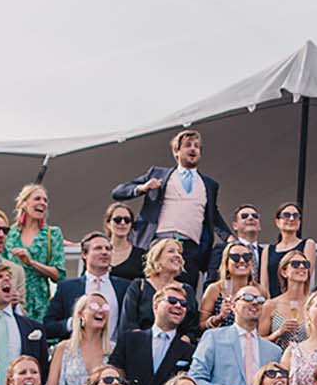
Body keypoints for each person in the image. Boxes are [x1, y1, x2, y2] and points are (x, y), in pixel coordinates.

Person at [113, 129, 231, 284]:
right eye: (188, 145)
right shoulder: (158, 173)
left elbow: (213, 215)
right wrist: (143, 187)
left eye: (197, 146)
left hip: (190, 249)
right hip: (158, 242)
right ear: (176, 151)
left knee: (184, 294)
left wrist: (228, 237)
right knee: (153, 288)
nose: (193, 149)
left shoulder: (209, 184)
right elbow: (118, 192)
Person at [193, 284, 286, 385]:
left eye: (260, 300)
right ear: (234, 305)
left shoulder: (273, 351)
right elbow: (195, 381)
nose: (255, 302)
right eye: (247, 298)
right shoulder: (213, 337)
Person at [110, 283, 198, 385]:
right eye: (172, 301)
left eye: (183, 304)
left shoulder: (189, 351)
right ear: (155, 306)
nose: (178, 306)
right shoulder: (130, 339)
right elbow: (115, 375)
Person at [45, 230, 134, 344]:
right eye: (98, 248)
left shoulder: (125, 287)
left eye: (108, 249)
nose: (104, 252)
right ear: (84, 254)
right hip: (76, 353)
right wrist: (72, 323)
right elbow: (48, 326)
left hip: (114, 355)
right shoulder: (66, 288)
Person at [47, 294, 115, 385]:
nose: (100, 310)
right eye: (94, 306)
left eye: (105, 307)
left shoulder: (113, 350)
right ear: (80, 314)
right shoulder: (64, 348)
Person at [118, 237, 200, 337]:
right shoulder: (139, 286)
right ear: (157, 257)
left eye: (179, 253)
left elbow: (192, 329)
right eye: (171, 251)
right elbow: (128, 325)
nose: (177, 256)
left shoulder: (187, 290)